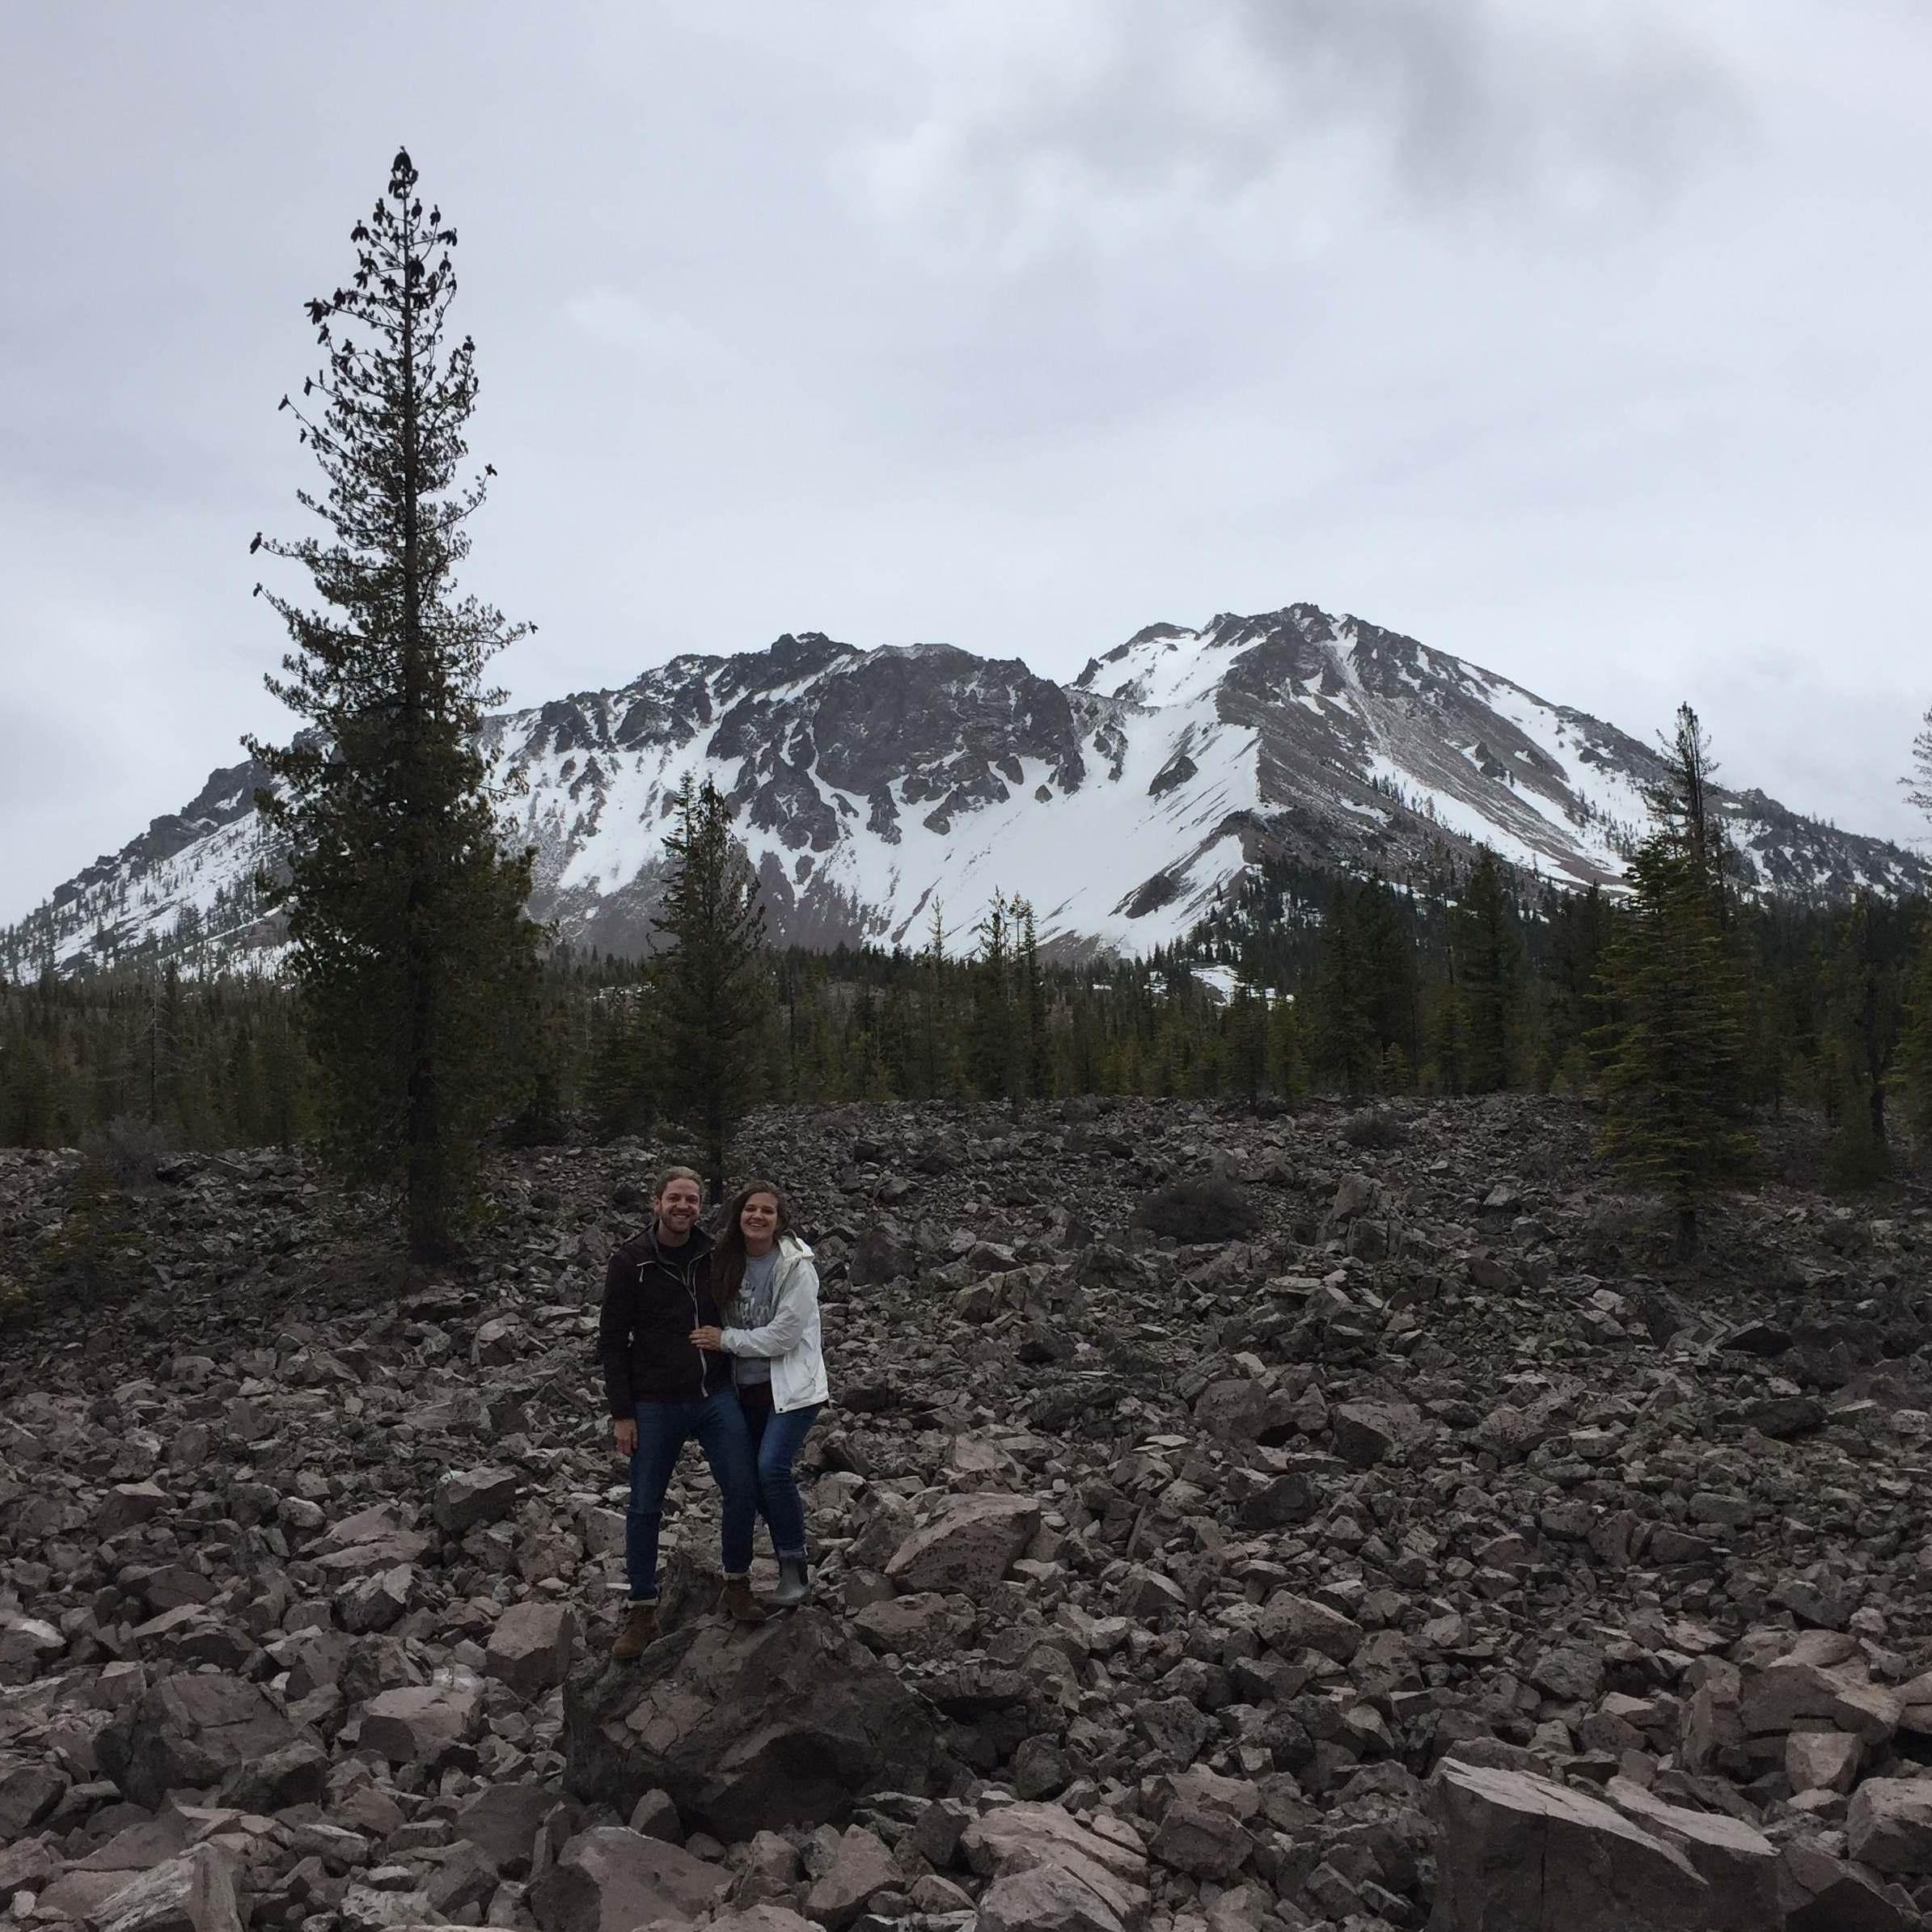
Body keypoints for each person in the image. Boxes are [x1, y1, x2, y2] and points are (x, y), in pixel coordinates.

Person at [598, 1165, 764, 1661]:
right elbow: (611, 1341)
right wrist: (621, 1412)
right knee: (646, 1505)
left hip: (713, 1395)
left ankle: (736, 1582)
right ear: (657, 1203)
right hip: (653, 1403)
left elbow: (761, 1274)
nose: (684, 1207)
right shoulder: (631, 1261)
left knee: (741, 1488)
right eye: (675, 1198)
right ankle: (642, 1608)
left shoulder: (714, 1255)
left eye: (692, 1199)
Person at [690, 1180, 828, 1608]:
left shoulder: (796, 1267)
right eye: (751, 1209)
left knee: (772, 1468)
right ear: (739, 1216)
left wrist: (725, 1340)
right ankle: (793, 1551)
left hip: (792, 1388)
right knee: (748, 1480)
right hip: (742, 1387)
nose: (758, 1217)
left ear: (779, 1220)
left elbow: (784, 1336)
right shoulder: (726, 1261)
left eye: (767, 1211)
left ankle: (793, 1566)